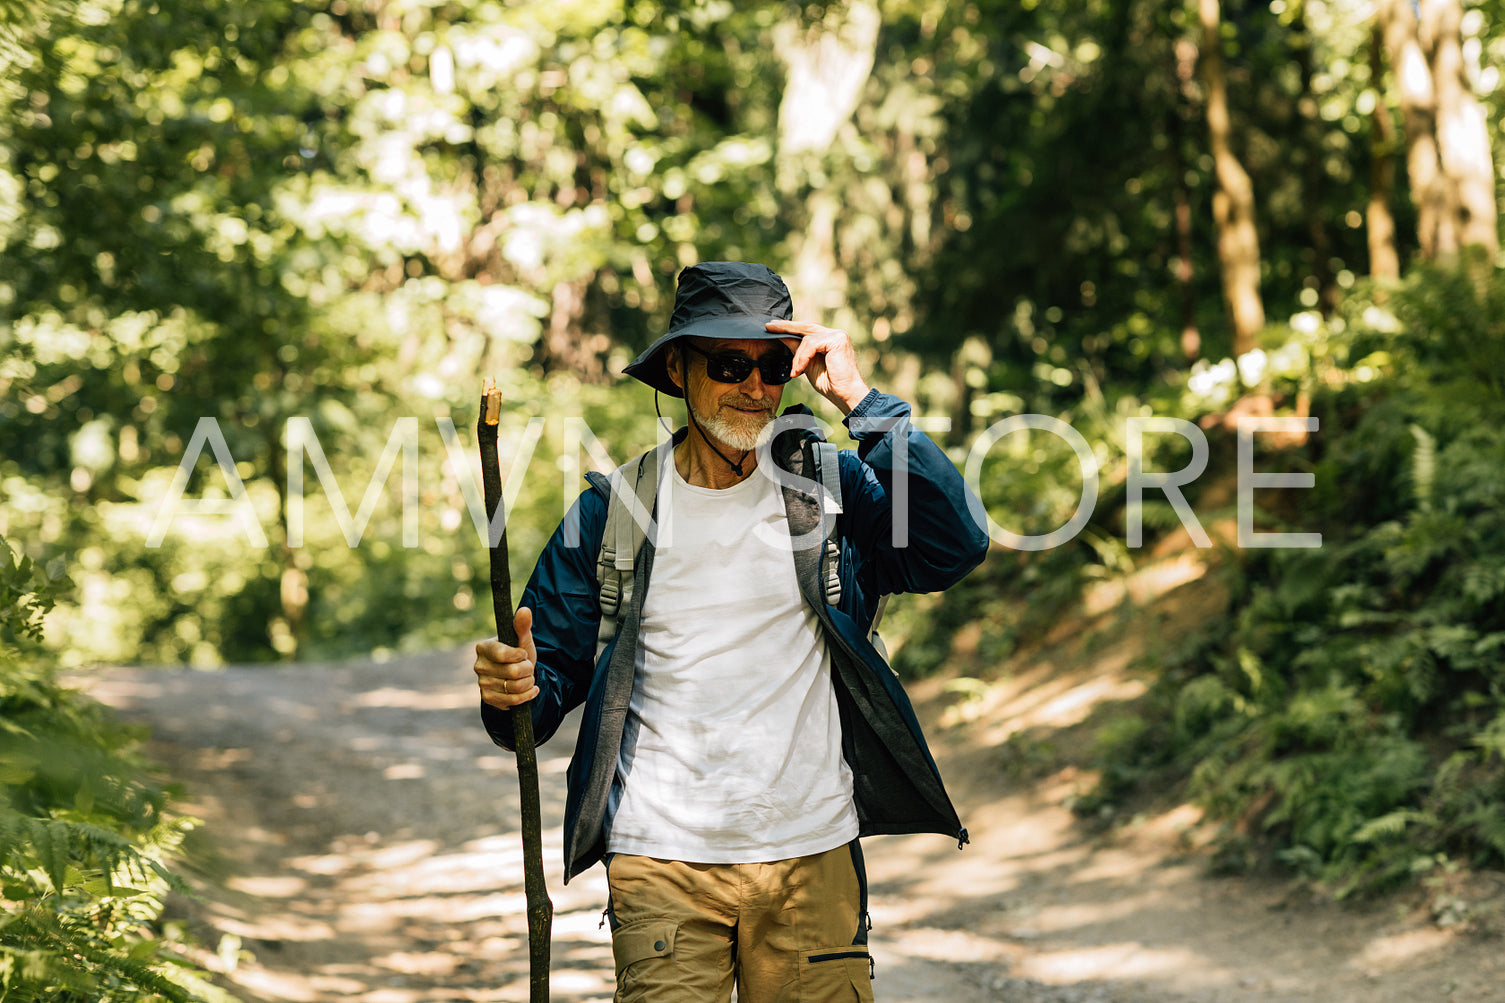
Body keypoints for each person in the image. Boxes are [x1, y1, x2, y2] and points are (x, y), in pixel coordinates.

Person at [474, 261, 989, 1002]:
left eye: (772, 366)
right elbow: (541, 685)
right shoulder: (612, 514)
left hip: (811, 856)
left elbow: (954, 544)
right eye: (728, 363)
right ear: (679, 369)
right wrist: (512, 690)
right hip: (660, 860)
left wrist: (862, 400)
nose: (754, 385)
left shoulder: (834, 493)